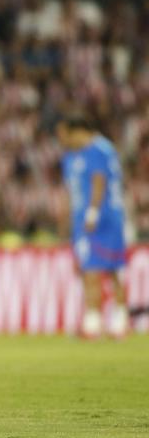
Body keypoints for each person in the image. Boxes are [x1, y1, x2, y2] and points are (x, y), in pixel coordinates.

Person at [57, 114, 128, 338]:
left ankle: (118, 320)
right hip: (82, 222)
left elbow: (99, 180)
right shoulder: (70, 157)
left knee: (113, 269)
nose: (63, 140)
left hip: (106, 218)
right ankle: (93, 321)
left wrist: (93, 211)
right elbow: (71, 191)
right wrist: (69, 220)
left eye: (64, 134)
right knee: (89, 269)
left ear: (77, 130)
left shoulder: (100, 149)